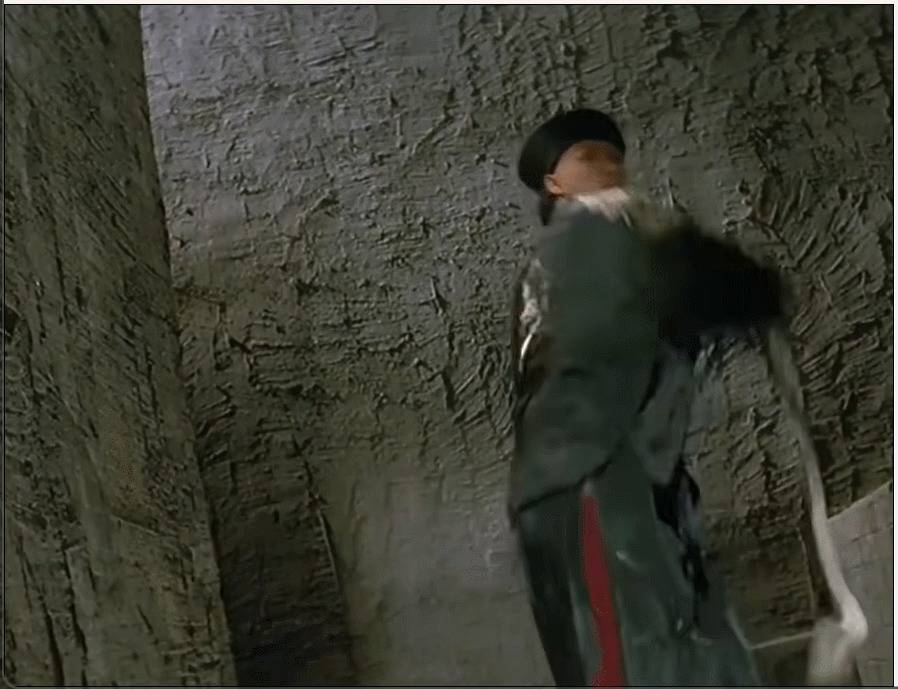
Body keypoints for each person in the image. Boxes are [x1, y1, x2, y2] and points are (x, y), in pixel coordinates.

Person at [508, 108, 786, 686]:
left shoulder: (625, 246)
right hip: (588, 493)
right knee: (634, 661)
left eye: (614, 156)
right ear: (553, 183)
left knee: (693, 650)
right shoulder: (572, 256)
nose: (608, 166)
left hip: (644, 487)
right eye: (588, 157)